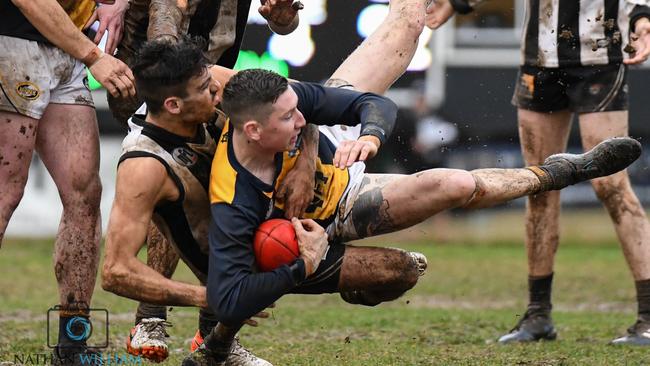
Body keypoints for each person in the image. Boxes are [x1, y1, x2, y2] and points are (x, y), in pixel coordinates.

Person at [426, 0, 650, 344]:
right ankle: (537, 316)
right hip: (539, 60)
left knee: (611, 185)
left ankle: (648, 317)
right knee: (539, 183)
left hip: (600, 57)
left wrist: (642, 18)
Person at [100, 0, 303, 360]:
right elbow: (164, 43)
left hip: (208, 85)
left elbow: (286, 27)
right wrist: (202, 80)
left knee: (231, 194)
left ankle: (212, 333)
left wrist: (283, 12)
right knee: (182, 191)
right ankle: (157, 315)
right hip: (163, 89)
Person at [0, 0, 135, 363]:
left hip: (67, 50)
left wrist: (116, 3)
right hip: (13, 43)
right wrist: (95, 56)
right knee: (5, 192)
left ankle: (72, 342)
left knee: (84, 193)